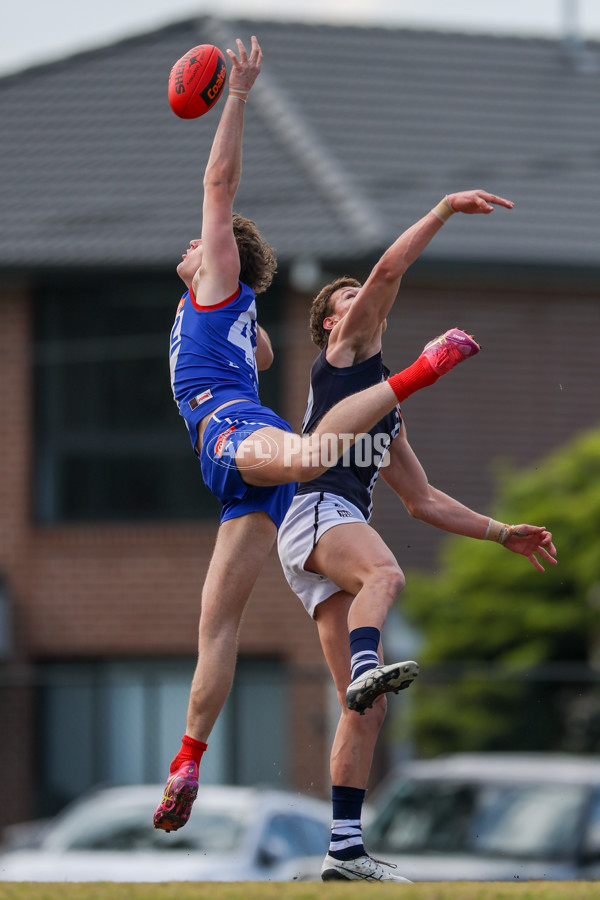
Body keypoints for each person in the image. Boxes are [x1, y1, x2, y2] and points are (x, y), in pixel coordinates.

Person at [154, 35, 485, 834]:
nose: (197, 243)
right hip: (232, 459)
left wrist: (233, 96)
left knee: (306, 455)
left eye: (207, 243)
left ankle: (414, 374)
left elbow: (218, 180)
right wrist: (224, 301)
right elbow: (262, 348)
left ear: (224, 255)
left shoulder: (220, 279)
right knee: (218, 624)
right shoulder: (231, 309)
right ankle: (188, 761)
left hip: (235, 433)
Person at [276, 200, 558, 882]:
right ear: (328, 326)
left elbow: (422, 500)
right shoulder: (341, 359)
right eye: (348, 299)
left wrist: (501, 534)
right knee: (387, 575)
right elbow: (390, 267)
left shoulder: (387, 407)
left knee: (363, 713)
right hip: (316, 513)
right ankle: (371, 659)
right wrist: (443, 210)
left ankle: (343, 848)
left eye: (362, 297)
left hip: (321, 543)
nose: (365, 300)